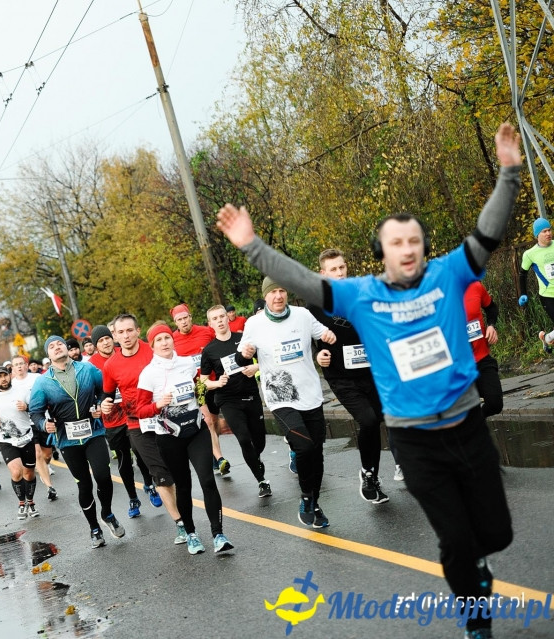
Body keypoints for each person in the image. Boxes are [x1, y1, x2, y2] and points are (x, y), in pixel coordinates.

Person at [216, 121, 521, 639]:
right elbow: (301, 280)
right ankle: (477, 622)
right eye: (394, 242)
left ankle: (480, 564)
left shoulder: (450, 273)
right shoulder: (362, 295)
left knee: (495, 531)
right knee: (454, 540)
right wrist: (251, 246)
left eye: (414, 240)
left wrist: (510, 172)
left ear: (424, 249)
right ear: (382, 253)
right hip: (415, 438)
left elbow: (488, 230)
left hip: (466, 425)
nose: (406, 248)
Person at [240, 278, 336, 528]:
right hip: (280, 397)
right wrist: (245, 355)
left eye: (282, 290)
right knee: (303, 448)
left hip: (311, 393)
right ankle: (306, 496)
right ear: (266, 296)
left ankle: (314, 502)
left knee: (316, 452)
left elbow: (321, 336)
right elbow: (242, 356)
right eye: (273, 292)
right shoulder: (255, 323)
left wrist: (325, 343)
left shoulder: (303, 315)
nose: (278, 296)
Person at [136, 322, 234, 556]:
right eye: (158, 340)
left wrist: (202, 404)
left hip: (196, 430)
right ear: (152, 345)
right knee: (183, 486)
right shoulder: (148, 374)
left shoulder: (188, 364)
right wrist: (158, 404)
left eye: (167, 338)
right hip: (169, 438)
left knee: (208, 480)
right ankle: (190, 534)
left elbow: (198, 386)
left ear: (172, 340)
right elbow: (139, 410)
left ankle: (218, 534)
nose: (164, 343)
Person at [311, 248, 390, 503]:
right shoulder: (316, 306)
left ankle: (371, 475)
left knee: (377, 419)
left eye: (342, 267)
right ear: (323, 274)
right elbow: (308, 337)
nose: (340, 273)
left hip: (370, 372)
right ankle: (368, 475)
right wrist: (317, 355)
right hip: (341, 377)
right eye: (333, 269)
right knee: (367, 420)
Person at [30, 335, 124, 549]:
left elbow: (105, 389)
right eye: (51, 346)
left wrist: (101, 403)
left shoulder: (87, 369)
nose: (56, 347)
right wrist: (45, 425)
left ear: (66, 348)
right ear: (48, 354)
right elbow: (35, 412)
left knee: (103, 475)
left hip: (94, 431)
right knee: (84, 484)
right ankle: (94, 529)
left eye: (59, 344)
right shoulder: (42, 382)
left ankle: (107, 514)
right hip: (67, 439)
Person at [102, 313, 187, 546]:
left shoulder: (153, 352)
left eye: (130, 330)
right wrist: (105, 403)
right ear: (115, 336)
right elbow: (107, 394)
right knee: (160, 475)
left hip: (166, 416)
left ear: (138, 331)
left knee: (175, 471)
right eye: (121, 332)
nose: (126, 336)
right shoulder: (111, 365)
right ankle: (181, 524)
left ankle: (185, 516)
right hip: (137, 423)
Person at [89, 323, 159, 519]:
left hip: (133, 415)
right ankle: (132, 497)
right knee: (123, 459)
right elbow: (92, 393)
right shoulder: (92, 365)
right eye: (100, 341)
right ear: (96, 345)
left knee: (140, 451)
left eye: (107, 338)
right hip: (112, 420)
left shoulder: (125, 354)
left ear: (113, 339)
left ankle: (149, 485)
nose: (105, 343)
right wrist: (97, 407)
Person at [199, 305, 269, 499]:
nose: (220, 320)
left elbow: (265, 359)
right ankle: (262, 481)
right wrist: (216, 382)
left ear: (227, 318)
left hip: (251, 395)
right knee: (244, 438)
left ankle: (256, 458)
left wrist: (255, 368)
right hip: (228, 399)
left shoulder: (243, 339)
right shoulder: (209, 350)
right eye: (215, 318)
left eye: (222, 316)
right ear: (210, 324)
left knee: (259, 441)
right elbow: (203, 380)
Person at [170, 304, 231, 476]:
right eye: (179, 320)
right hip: (196, 388)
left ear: (190, 317)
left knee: (215, 420)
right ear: (175, 322)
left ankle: (213, 450)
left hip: (214, 381)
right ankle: (219, 458)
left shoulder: (206, 332)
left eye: (185, 318)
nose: (183, 322)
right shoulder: (172, 340)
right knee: (208, 422)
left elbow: (219, 344)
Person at [0, 365, 40, 519]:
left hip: (26, 437)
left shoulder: (22, 391)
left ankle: (31, 502)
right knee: (16, 472)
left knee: (29, 473)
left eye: (5, 375)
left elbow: (36, 408)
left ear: (10, 376)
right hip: (7, 440)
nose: (3, 379)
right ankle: (22, 503)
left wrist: (26, 407)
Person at [10, 354, 57, 502]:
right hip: (26, 424)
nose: (19, 366)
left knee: (47, 455)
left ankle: (42, 468)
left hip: (42, 419)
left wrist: (28, 407)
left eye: (21, 363)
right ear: (12, 368)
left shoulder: (37, 378)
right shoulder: (11, 385)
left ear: (26, 365)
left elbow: (48, 397)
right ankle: (50, 487)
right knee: (37, 454)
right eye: (16, 364)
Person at [465, 281, 503, 418]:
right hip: (459, 367)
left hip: (482, 359)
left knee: (495, 403)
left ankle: (475, 423)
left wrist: (491, 325)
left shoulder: (475, 286)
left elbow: (491, 308)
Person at [518, 217, 554, 353]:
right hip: (547, 296)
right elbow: (522, 274)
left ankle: (547, 338)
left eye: (549, 230)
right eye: (544, 231)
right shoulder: (530, 254)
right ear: (537, 234)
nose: (548, 233)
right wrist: (523, 293)